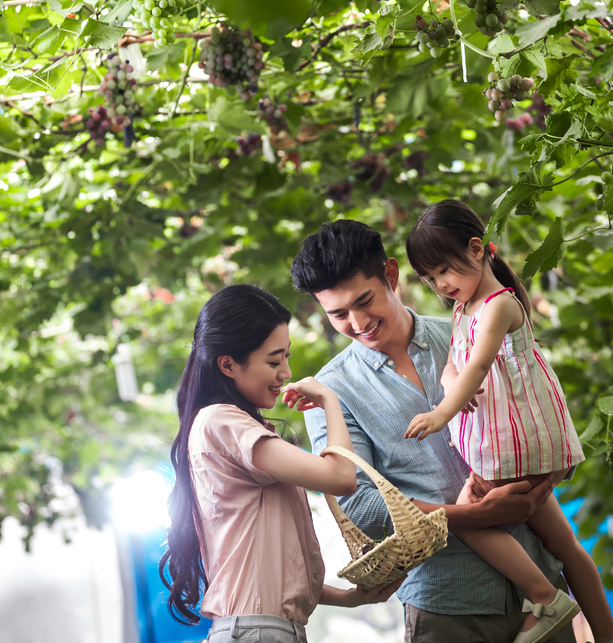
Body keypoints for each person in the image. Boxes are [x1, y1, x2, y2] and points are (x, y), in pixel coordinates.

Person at [292, 218, 579, 643]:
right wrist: (473, 517)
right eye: (338, 314)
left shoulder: (476, 328)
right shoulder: (330, 392)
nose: (357, 321)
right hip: (445, 604)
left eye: (365, 300)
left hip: (542, 597)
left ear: (390, 274)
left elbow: (539, 416)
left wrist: (543, 485)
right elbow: (364, 509)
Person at [404, 199, 613, 643]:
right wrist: (450, 385)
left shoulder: (499, 305)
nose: (441, 283)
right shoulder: (463, 310)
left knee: (468, 518)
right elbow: (455, 368)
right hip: (516, 440)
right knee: (565, 544)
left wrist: (443, 413)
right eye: (431, 277)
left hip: (521, 439)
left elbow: (478, 367)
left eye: (445, 270)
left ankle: (545, 602)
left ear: (477, 249)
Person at [160, 283, 402, 643]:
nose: (286, 372)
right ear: (228, 364)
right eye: (274, 361)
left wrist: (349, 598)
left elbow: (266, 565)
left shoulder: (224, 426)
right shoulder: (222, 422)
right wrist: (330, 401)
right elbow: (342, 477)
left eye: (286, 357)